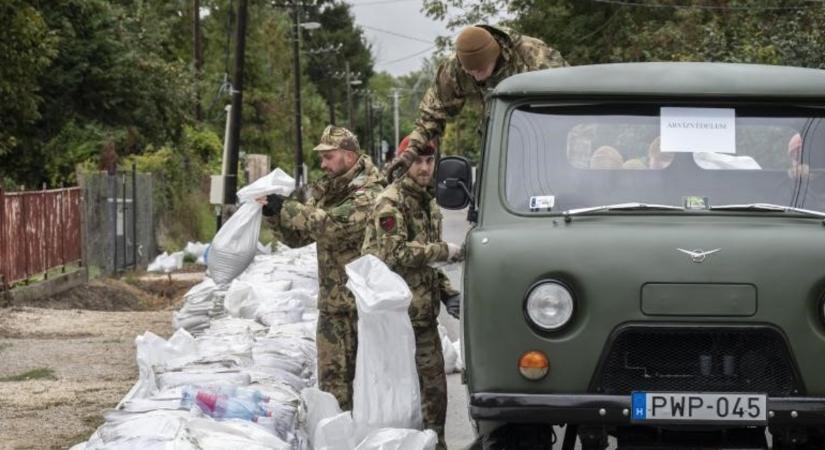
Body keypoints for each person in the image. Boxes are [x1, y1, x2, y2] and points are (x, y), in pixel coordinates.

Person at [259, 125, 385, 411]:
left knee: (369, 390)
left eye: (329, 157)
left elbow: (333, 226)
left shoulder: (370, 192)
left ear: (349, 156)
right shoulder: (328, 190)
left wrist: (288, 208)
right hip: (332, 307)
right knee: (332, 390)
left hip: (363, 310)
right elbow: (299, 236)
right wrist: (274, 215)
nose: (323, 163)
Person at [362, 136, 462, 448]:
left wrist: (447, 293)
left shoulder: (427, 202)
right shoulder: (390, 203)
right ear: (405, 162)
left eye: (429, 161)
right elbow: (396, 254)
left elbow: (428, 265)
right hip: (396, 324)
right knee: (402, 404)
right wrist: (446, 250)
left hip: (424, 320)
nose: (424, 167)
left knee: (435, 398)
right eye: (417, 161)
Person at [385, 24, 568, 180]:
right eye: (469, 71)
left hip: (546, 145)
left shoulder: (533, 57)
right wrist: (411, 151)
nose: (474, 75)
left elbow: (575, 100)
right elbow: (432, 115)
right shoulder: (455, 69)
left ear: (495, 56)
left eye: (479, 70)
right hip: (497, 151)